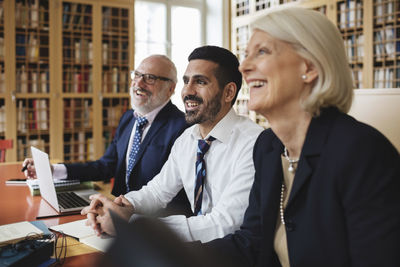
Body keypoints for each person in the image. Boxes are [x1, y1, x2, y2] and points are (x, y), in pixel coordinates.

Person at [201, 7, 400, 267]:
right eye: (246, 54)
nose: (244, 67)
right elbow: (252, 242)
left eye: (262, 52)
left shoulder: (362, 151)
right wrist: (173, 254)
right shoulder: (268, 146)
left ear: (309, 67)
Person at [82, 45, 264, 243]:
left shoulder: (254, 144)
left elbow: (224, 224)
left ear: (229, 92)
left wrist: (132, 225)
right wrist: (118, 206)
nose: (188, 91)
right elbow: (157, 192)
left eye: (200, 82)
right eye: (186, 81)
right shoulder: (187, 139)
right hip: (199, 251)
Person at [22, 55, 191, 214]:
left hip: (153, 222)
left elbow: (173, 193)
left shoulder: (183, 128)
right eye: (137, 75)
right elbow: (105, 166)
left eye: (150, 78)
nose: (138, 83)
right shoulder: (128, 118)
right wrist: (53, 170)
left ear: (171, 88)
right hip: (114, 209)